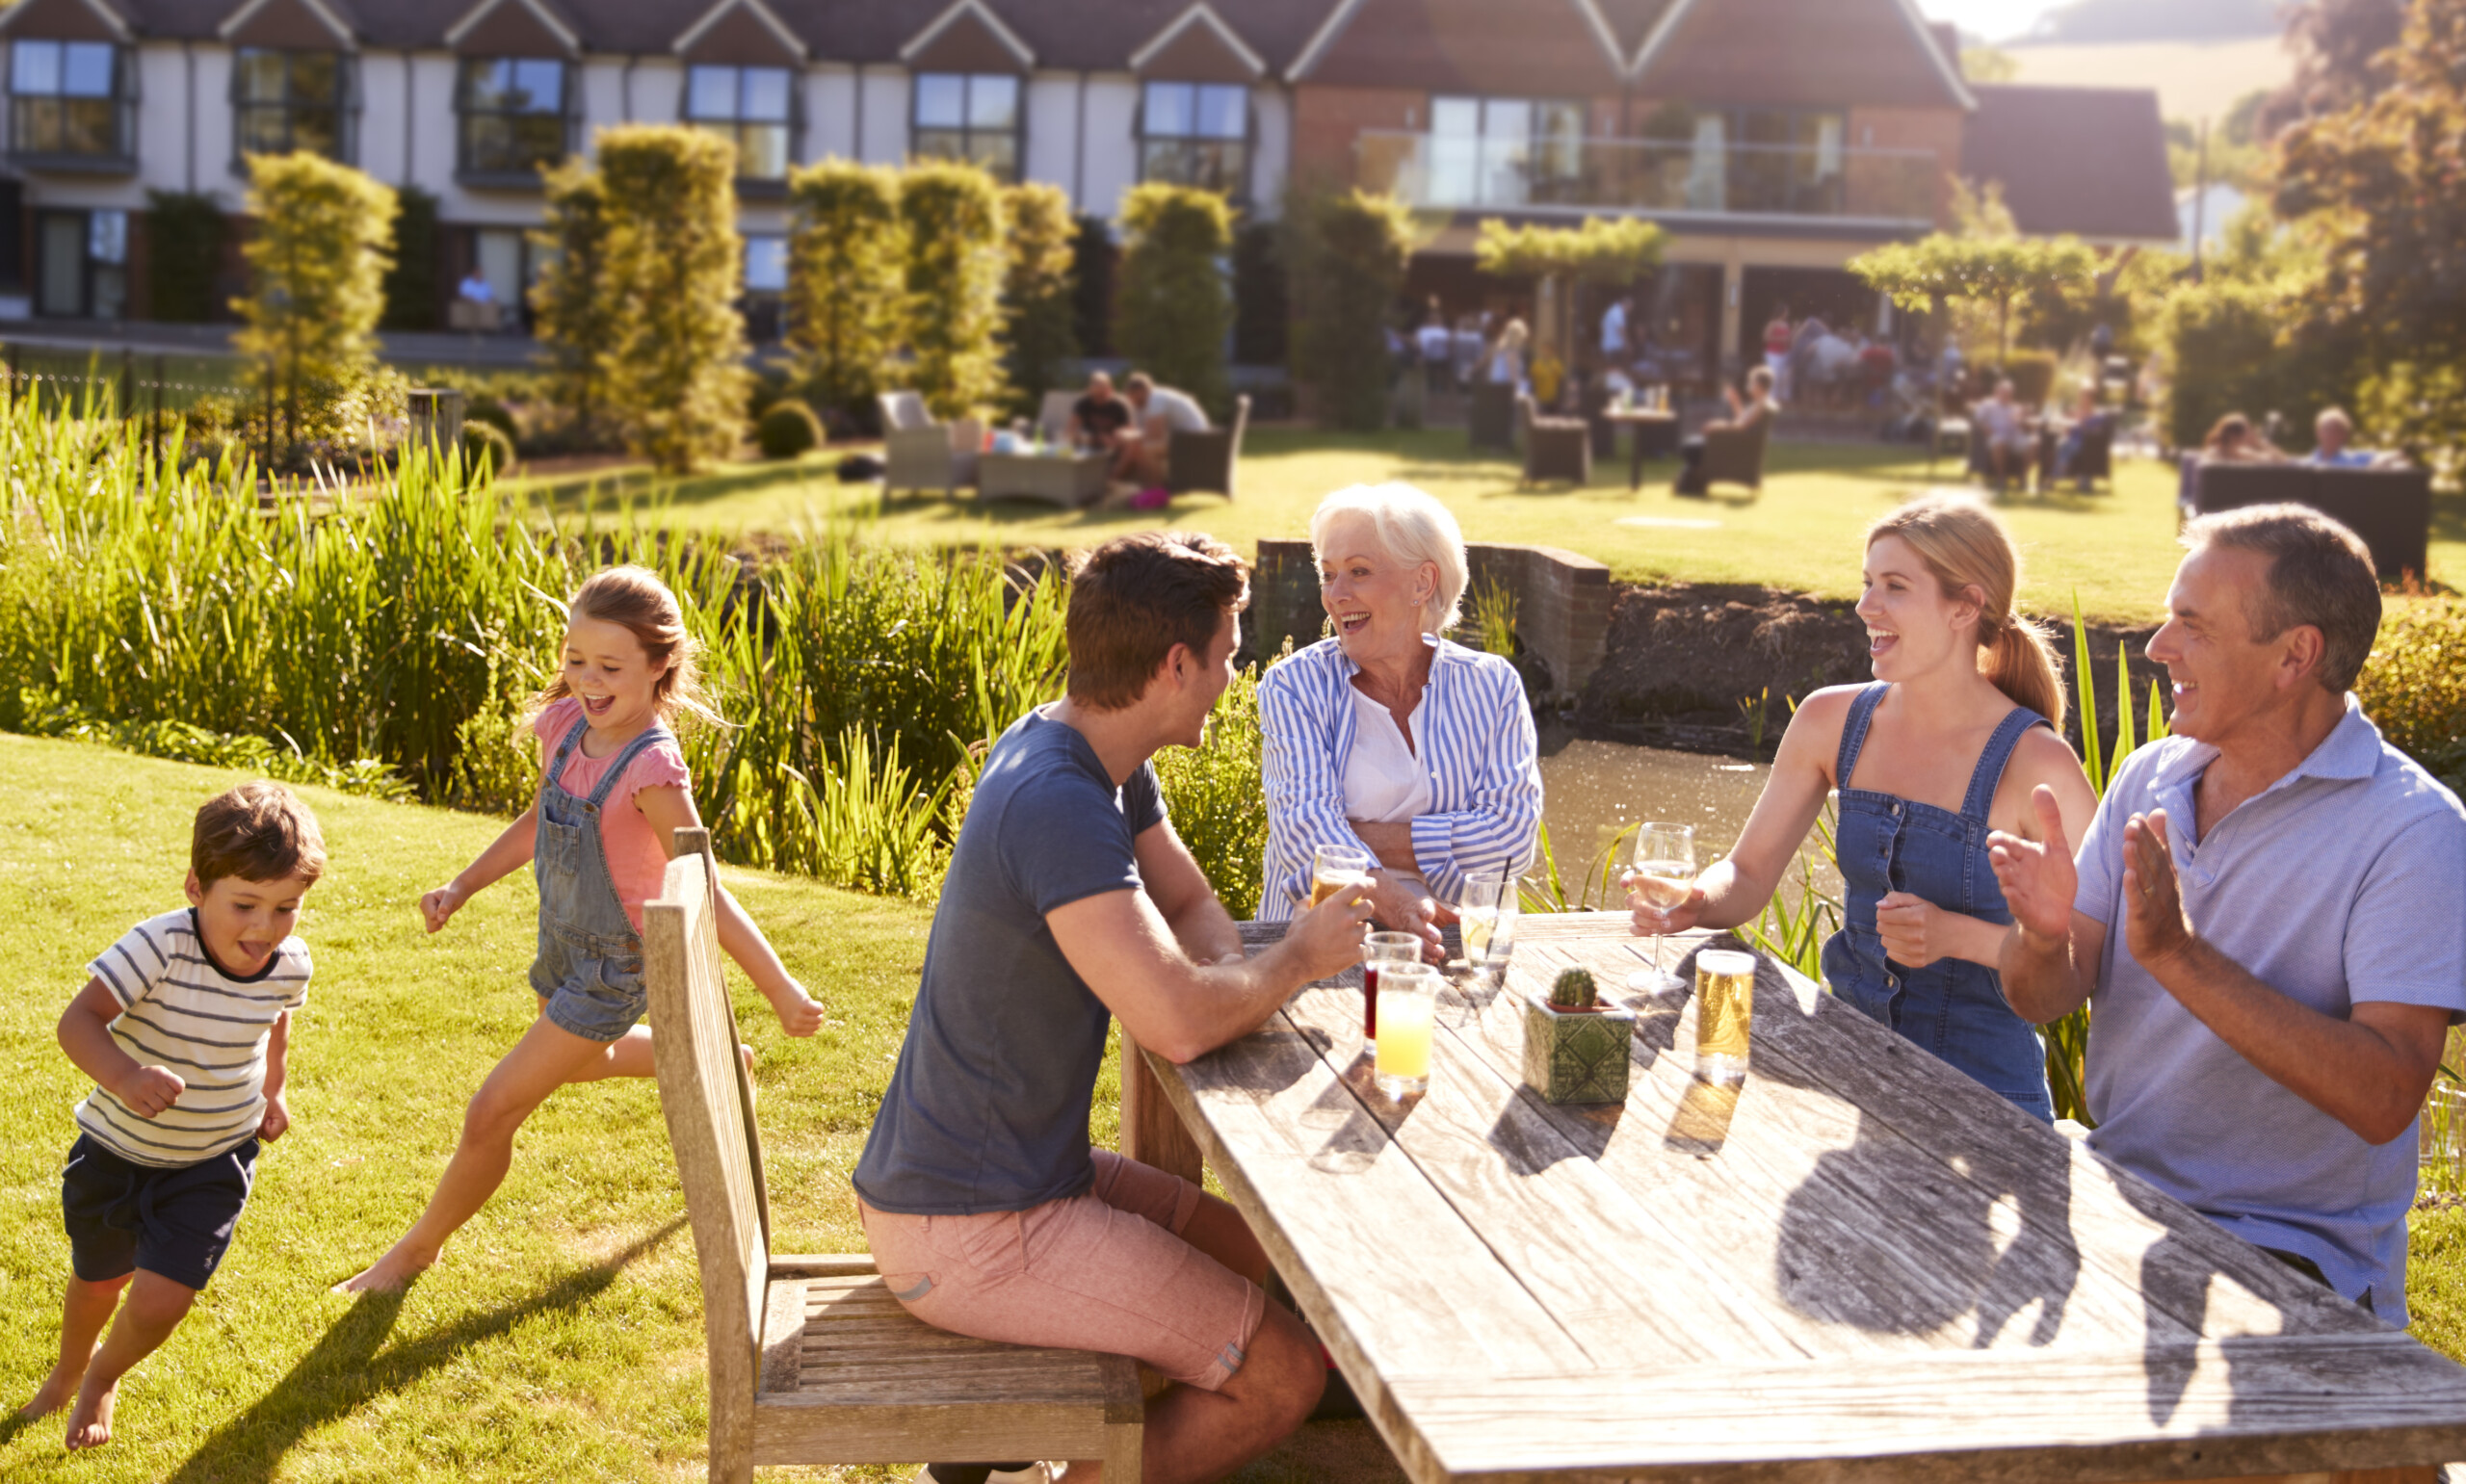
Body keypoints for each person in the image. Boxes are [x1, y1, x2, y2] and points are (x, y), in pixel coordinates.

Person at [853, 532, 1364, 1483]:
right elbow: (1172, 1024)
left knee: (1248, 1248)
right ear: (1176, 664)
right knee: (1281, 1374)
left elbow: (1192, 904)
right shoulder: (1058, 799)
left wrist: (1221, 982)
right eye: (1227, 657)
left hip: (1004, 1174)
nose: (1231, 679)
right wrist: (1289, 962)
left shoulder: (1091, 751)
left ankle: (997, 1444)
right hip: (973, 1224)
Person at [1991, 507, 2466, 1318]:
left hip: (2290, 1248)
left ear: (2295, 655)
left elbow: (2386, 1094)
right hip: (2118, 1190)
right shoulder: (2149, 778)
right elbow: (2042, 997)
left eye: (2193, 625)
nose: (2158, 646)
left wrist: (2179, 954)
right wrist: (2040, 937)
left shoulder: (2415, 831)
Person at [341, 566, 821, 1292]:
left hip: (613, 964)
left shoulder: (653, 768)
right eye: (575, 660)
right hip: (562, 942)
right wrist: (463, 883)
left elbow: (703, 883)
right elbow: (541, 821)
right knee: (585, 1061)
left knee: (491, 1109)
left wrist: (779, 985)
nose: (588, 680)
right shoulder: (565, 725)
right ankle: (721, 1057)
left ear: (660, 666)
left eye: (609, 666)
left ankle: (414, 1252)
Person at [1632, 497, 2096, 1119]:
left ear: (1965, 605)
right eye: (1867, 583)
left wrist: (1957, 935)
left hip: (1987, 1107)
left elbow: (2083, 966)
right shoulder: (1831, 720)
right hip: (1842, 1076)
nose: (1864, 607)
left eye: (1895, 587)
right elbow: (1745, 876)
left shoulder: (2038, 765)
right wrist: (1697, 898)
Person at [20, 784, 324, 1449]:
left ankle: (102, 1376)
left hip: (214, 1157)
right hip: (116, 1150)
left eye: (285, 907)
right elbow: (78, 1021)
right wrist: (125, 1076)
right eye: (244, 904)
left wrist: (274, 1091)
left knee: (162, 1298)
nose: (264, 927)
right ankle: (65, 1374)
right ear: (196, 886)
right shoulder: (158, 946)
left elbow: (275, 1025)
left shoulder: (289, 963)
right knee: (99, 1281)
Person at [1258, 483, 1539, 937]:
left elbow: (1511, 842)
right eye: (1328, 575)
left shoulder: (1493, 685)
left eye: (1359, 571)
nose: (1336, 594)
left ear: (1422, 582)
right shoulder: (1295, 685)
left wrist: (1353, 834)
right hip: (1320, 947)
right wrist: (1395, 901)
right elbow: (1304, 834)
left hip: (1457, 941)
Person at [1674, 365, 1776, 496]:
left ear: (1758, 385)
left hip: (1730, 447)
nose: (1749, 385)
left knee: (1690, 447)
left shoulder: (1761, 405)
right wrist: (1735, 403)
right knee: (1692, 444)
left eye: (1751, 382)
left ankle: (1692, 485)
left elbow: (1740, 428)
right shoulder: (1759, 403)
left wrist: (1717, 426)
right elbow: (1742, 422)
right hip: (1734, 443)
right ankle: (1692, 483)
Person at [1121, 372, 1209, 486]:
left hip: (1194, 441)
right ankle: (1141, 487)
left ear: (1140, 392)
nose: (1130, 401)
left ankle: (1157, 489)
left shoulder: (1156, 398)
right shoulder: (1145, 403)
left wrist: (1129, 436)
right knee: (1139, 447)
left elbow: (1155, 435)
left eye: (1131, 397)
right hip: (1182, 439)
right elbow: (1141, 430)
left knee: (1147, 450)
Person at [1973, 378, 2033, 490]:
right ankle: (2001, 478)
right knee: (2000, 442)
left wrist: (2022, 418)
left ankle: (2022, 477)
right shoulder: (1988, 405)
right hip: (1996, 435)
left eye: (2009, 394)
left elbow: (2023, 424)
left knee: (2033, 443)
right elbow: (1978, 419)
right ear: (1997, 393)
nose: (2007, 396)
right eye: (2004, 393)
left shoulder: (2015, 407)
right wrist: (1985, 427)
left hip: (2014, 436)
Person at [1066, 371, 1136, 466]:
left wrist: (1115, 438)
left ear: (1110, 390)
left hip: (1113, 442)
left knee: (1130, 446)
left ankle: (1112, 478)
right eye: (1095, 395)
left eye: (1102, 394)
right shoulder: (1084, 403)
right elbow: (1070, 429)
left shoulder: (1119, 405)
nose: (1099, 399)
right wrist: (1079, 438)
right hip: (1089, 442)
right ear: (1089, 390)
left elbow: (1130, 431)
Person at [2304, 407, 2379, 468]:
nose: (2331, 434)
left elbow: (2385, 456)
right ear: (2318, 432)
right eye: (2327, 429)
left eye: (2336, 430)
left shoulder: (2355, 459)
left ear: (2344, 434)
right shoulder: (2307, 463)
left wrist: (2374, 466)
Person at [1416, 302, 1454, 393]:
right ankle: (1440, 386)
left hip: (1428, 357)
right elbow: (1450, 345)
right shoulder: (1445, 332)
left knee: (1428, 365)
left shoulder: (1422, 331)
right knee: (1440, 366)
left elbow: (1418, 345)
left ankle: (1431, 385)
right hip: (1442, 357)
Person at [1485, 317, 1529, 389]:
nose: (1522, 342)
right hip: (1506, 392)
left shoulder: (1501, 347)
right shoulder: (1511, 352)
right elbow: (1514, 379)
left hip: (1498, 390)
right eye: (1521, 338)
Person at [1762, 306, 1794, 402]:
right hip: (1773, 353)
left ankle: (1782, 398)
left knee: (1783, 376)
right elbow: (1766, 337)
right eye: (1786, 311)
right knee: (1773, 375)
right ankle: (1771, 397)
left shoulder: (1786, 325)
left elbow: (1789, 338)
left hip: (1784, 353)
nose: (1787, 313)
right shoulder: (1772, 323)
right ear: (1781, 312)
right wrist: (1781, 339)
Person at [1601, 293, 1632, 365]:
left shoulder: (1612, 311)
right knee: (1614, 369)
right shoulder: (1618, 312)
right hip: (1613, 348)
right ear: (1625, 304)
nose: (1629, 311)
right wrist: (1627, 345)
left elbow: (1603, 328)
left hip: (1609, 346)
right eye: (1630, 308)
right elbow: (1621, 329)